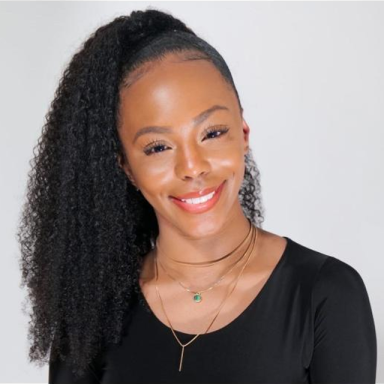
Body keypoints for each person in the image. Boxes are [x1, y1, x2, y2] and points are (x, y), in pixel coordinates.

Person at [17, 8, 377, 384]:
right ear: (125, 166)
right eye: (158, 147)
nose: (192, 167)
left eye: (213, 133)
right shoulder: (93, 313)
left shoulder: (324, 295)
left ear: (243, 131)